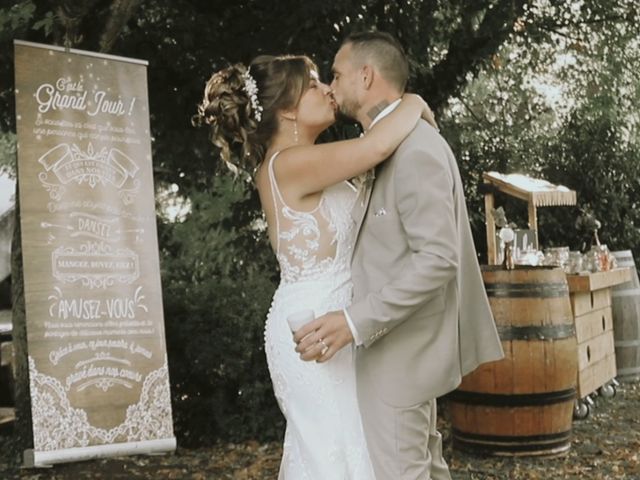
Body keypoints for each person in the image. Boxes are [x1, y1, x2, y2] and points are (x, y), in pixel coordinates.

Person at [193, 54, 437, 479]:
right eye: (312, 84)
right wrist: (412, 102)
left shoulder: (305, 160)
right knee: (336, 452)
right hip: (316, 327)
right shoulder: (286, 163)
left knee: (351, 449)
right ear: (287, 108)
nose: (327, 89)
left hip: (333, 319)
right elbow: (377, 146)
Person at [294, 31, 505, 479]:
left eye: (335, 74)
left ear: (366, 76)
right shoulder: (392, 143)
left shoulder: (415, 150)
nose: (330, 87)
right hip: (400, 355)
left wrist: (353, 321)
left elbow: (437, 260)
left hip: (402, 359)